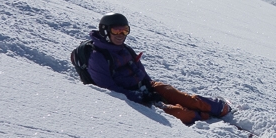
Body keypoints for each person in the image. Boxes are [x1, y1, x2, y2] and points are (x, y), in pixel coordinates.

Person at [84, 12, 231, 126]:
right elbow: (109, 88)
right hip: (133, 98)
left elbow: (138, 69)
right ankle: (205, 116)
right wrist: (143, 97)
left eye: (125, 31)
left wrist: (150, 86)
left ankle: (220, 107)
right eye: (117, 31)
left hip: (146, 87)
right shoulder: (97, 57)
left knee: (178, 95)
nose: (121, 35)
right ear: (105, 31)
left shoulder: (124, 49)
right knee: (180, 113)